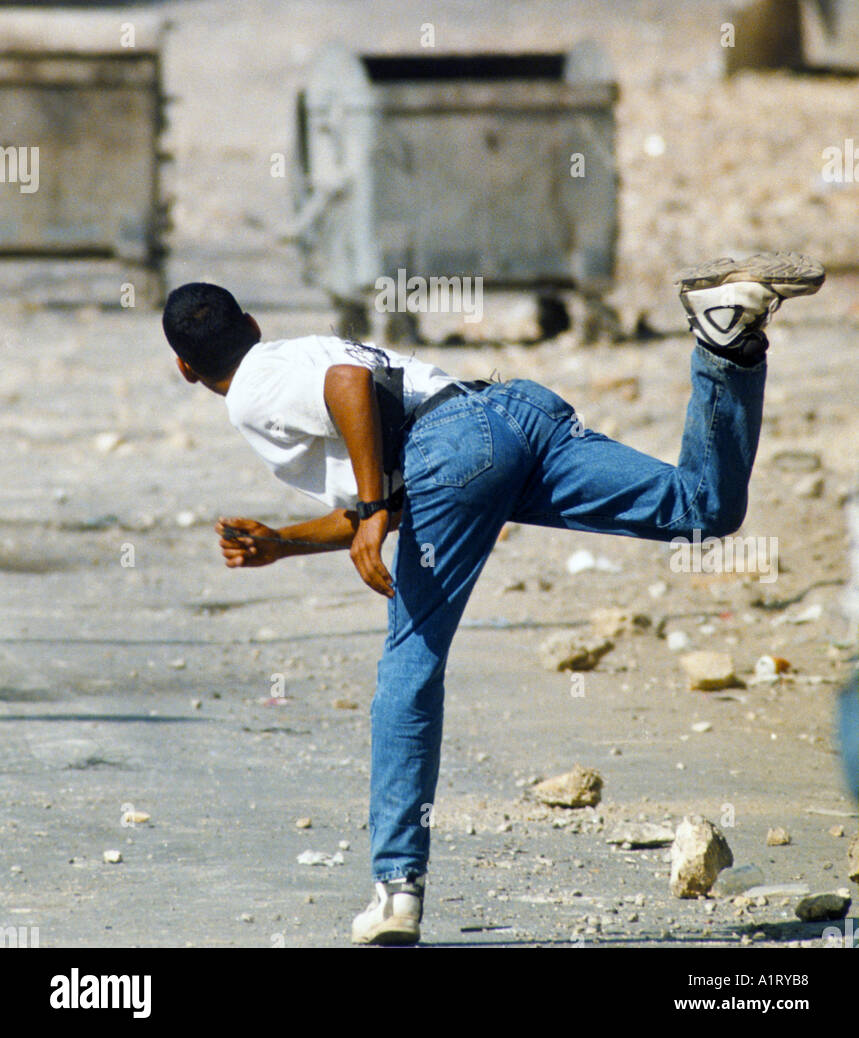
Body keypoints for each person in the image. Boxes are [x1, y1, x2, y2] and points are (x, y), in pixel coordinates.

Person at [161, 250, 824, 945]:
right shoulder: (292, 352)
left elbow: (349, 387)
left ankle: (395, 889)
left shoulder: (251, 392)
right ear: (253, 323)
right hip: (507, 416)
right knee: (700, 508)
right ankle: (727, 344)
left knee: (406, 670)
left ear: (185, 369)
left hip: (452, 454)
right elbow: (382, 480)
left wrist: (372, 510)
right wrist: (284, 541)